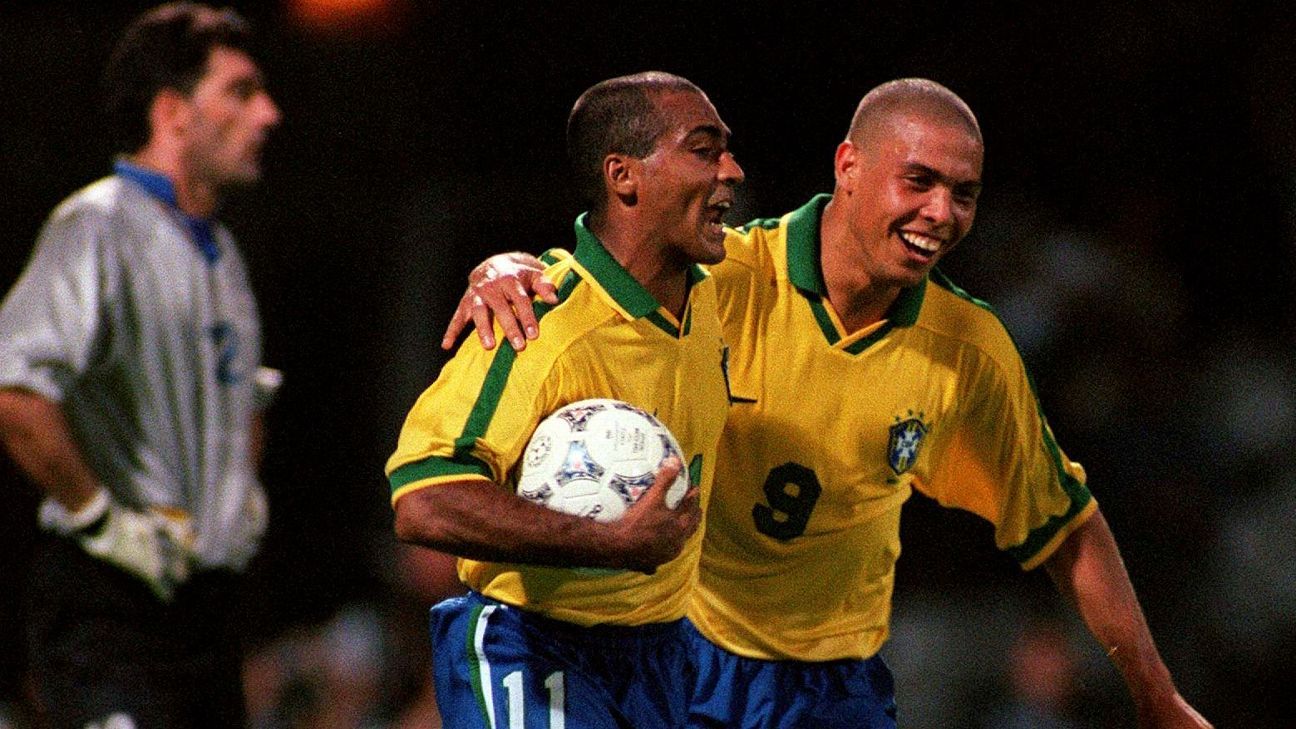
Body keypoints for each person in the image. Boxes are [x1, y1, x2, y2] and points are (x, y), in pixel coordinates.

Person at [443, 78, 1213, 728]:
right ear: (849, 165)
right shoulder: (732, 280)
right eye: (919, 181)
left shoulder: (966, 352)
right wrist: (508, 266)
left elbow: (1064, 525)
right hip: (680, 655)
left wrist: (1155, 691)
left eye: (964, 194)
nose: (942, 213)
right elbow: (605, 273)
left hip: (833, 686)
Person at [386, 71, 743, 728]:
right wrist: (607, 540)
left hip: (663, 652)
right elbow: (425, 496)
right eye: (704, 149)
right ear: (625, 176)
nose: (733, 170)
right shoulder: (536, 321)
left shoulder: (726, 289)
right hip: (534, 646)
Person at [0, 3, 281, 726]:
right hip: (112, 607)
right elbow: (14, 389)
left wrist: (240, 493)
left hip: (206, 616)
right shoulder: (97, 225)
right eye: (242, 91)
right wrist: (99, 515)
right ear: (173, 111)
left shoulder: (220, 252)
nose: (268, 114)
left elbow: (245, 395)